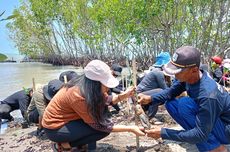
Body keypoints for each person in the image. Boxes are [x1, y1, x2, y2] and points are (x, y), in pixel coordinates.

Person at [138, 46, 230, 152]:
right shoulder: (188, 78)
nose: (174, 74)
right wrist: (150, 98)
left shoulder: (208, 94)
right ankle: (196, 137)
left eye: (178, 71)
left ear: (194, 70)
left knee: (185, 104)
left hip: (225, 128)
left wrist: (163, 133)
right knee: (171, 104)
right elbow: (170, 93)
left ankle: (215, 148)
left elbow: (201, 133)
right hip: (214, 119)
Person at [42, 60, 145, 152]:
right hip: (55, 127)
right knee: (100, 130)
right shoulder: (78, 94)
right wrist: (130, 128)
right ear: (95, 83)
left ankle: (83, 146)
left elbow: (108, 100)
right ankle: (62, 145)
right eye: (105, 84)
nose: (108, 88)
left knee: (101, 120)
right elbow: (100, 126)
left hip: (70, 119)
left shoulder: (90, 87)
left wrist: (124, 95)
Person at [136, 52, 171, 120]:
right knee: (160, 92)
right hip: (139, 95)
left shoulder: (157, 71)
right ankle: (150, 116)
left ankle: (146, 111)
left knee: (161, 95)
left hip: (143, 94)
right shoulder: (158, 72)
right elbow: (165, 89)